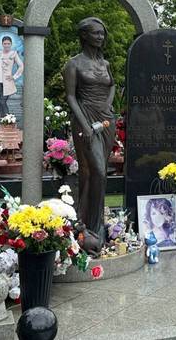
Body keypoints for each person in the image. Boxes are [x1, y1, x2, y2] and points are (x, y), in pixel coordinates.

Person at [64, 17, 115, 242]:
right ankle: (94, 229)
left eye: (102, 33)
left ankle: (86, 223)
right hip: (85, 119)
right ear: (84, 35)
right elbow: (70, 96)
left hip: (106, 121)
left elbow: (112, 85)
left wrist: (108, 105)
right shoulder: (73, 64)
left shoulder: (105, 64)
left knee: (94, 173)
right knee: (97, 172)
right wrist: (85, 125)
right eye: (96, 33)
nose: (100, 37)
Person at [0, 36, 24, 118]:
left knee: (2, 101)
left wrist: (14, 76)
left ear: (11, 44)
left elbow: (21, 66)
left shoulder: (13, 54)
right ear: (2, 44)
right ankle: (3, 120)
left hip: (7, 82)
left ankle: (8, 120)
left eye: (8, 43)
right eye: (5, 43)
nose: (6, 45)